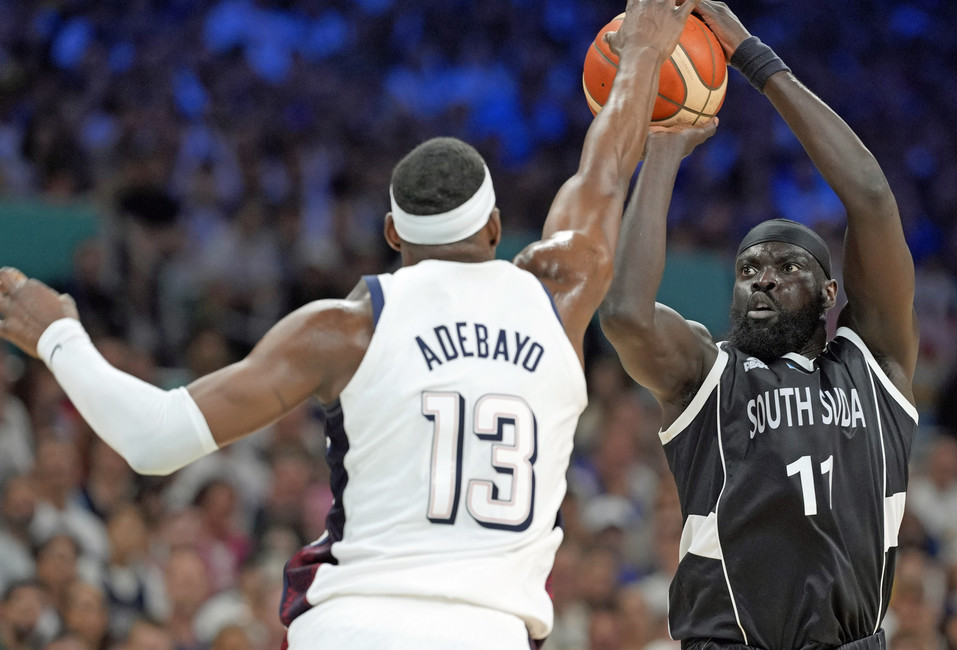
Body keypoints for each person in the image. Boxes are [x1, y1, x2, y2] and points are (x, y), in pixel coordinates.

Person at [0, 1, 704, 647]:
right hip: (488, 632)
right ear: (495, 226)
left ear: (393, 234)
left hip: (355, 626)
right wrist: (642, 56)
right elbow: (606, 167)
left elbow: (152, 439)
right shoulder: (563, 292)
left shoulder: (345, 328)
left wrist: (56, 333)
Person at [597, 2, 919, 649]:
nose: (763, 277)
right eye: (749, 268)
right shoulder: (708, 375)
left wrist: (750, 55)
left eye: (786, 265)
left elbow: (872, 198)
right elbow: (627, 314)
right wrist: (661, 149)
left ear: (831, 293)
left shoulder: (873, 366)